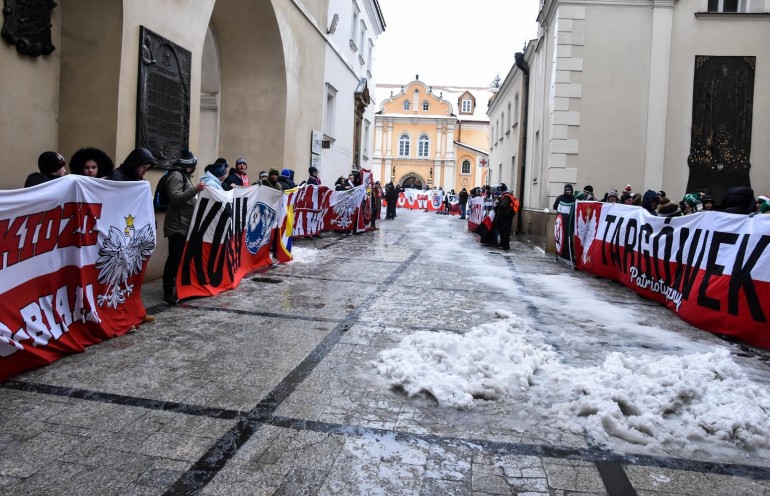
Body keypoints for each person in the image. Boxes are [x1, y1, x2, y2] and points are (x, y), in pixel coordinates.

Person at [109, 147, 157, 328]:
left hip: (134, 239)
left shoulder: (138, 180)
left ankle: (135, 313)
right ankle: (121, 319)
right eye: (144, 166)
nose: (145, 171)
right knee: (118, 283)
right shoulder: (118, 178)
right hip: (122, 238)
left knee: (132, 283)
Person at [162, 149, 205, 305]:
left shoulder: (183, 176)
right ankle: (167, 292)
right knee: (174, 259)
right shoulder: (176, 176)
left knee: (178, 259)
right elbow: (175, 197)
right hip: (177, 226)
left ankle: (176, 288)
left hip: (184, 225)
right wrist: (195, 189)